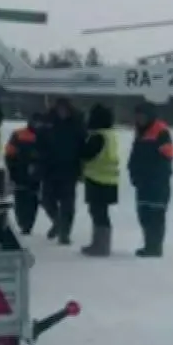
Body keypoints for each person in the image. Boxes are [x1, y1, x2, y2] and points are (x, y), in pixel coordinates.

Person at [127, 101, 173, 257]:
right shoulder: (140, 132)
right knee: (144, 214)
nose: (139, 119)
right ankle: (149, 244)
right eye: (137, 116)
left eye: (142, 116)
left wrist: (157, 177)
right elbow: (134, 155)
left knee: (156, 215)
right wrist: (133, 173)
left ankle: (154, 247)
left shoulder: (161, 132)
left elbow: (167, 156)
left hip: (157, 182)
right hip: (142, 182)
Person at [37, 96, 86, 244]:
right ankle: (57, 222)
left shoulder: (77, 123)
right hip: (50, 167)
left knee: (67, 203)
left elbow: (83, 144)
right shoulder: (48, 121)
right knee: (46, 200)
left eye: (65, 109)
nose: (62, 112)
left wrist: (81, 166)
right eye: (60, 109)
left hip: (70, 168)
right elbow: (40, 141)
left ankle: (65, 233)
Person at [77, 103, 120, 256]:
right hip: (110, 179)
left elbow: (87, 153)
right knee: (101, 212)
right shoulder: (110, 134)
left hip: (97, 179)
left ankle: (101, 246)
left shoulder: (98, 136)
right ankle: (100, 244)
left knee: (98, 212)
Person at [4, 112, 48, 234]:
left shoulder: (45, 136)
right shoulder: (18, 134)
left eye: (40, 122)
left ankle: (28, 224)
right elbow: (9, 152)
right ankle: (23, 223)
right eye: (36, 122)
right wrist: (12, 168)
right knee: (20, 199)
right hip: (19, 171)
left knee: (32, 200)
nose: (38, 125)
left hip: (36, 173)